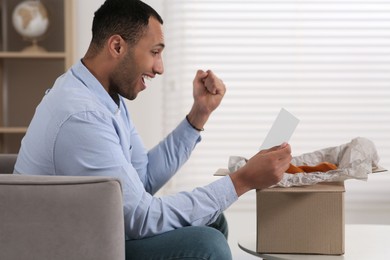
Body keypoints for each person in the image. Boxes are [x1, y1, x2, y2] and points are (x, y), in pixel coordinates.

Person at [14, 0, 292, 259]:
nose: (159, 68)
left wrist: (199, 114)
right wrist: (241, 181)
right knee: (208, 245)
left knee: (213, 219)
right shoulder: (81, 115)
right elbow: (141, 218)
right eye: (154, 52)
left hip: (92, 229)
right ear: (117, 46)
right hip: (66, 247)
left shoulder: (104, 96)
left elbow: (142, 177)